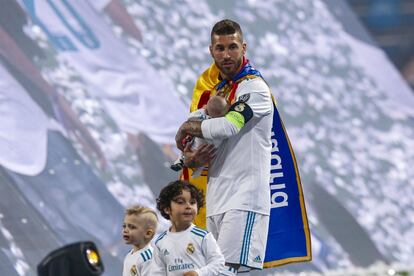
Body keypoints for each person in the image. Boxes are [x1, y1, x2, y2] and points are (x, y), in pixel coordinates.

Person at [175, 19, 273, 275]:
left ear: (244, 48)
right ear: (211, 51)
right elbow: (200, 132)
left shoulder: (255, 88)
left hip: (245, 195)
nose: (226, 54)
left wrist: (187, 127)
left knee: (223, 271)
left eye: (233, 47)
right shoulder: (219, 91)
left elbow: (228, 126)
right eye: (220, 48)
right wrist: (189, 158)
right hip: (217, 195)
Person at [151, 180, 225, 275]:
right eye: (181, 202)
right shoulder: (160, 242)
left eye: (193, 202)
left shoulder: (203, 237)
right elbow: (157, 272)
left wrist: (199, 273)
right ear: (167, 209)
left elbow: (218, 262)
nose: (188, 206)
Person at [171, 95, 229, 172]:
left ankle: (180, 161)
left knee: (186, 149)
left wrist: (203, 111)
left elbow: (190, 118)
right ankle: (182, 161)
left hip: (196, 143)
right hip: (210, 147)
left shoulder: (201, 115)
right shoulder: (221, 122)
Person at [122, 205, 158, 276]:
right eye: (124, 226)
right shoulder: (129, 255)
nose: (125, 230)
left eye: (132, 227)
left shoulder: (148, 259)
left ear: (148, 234)